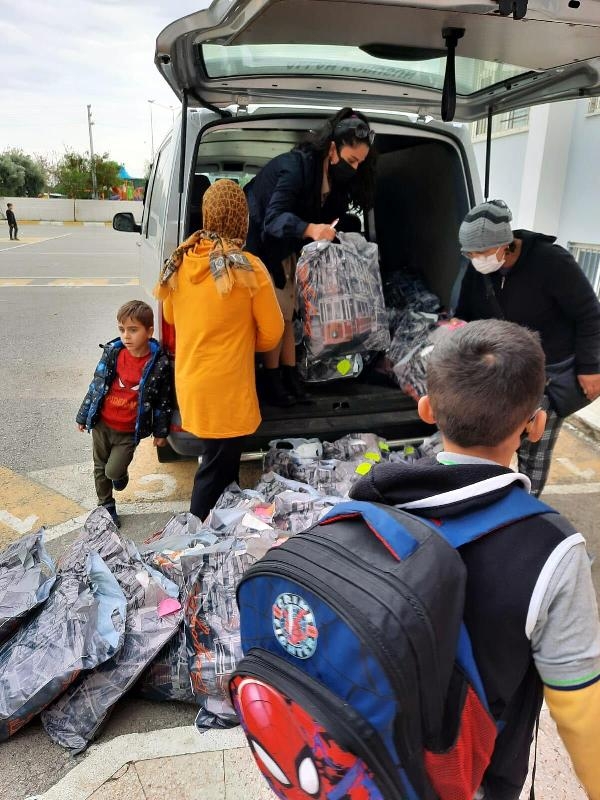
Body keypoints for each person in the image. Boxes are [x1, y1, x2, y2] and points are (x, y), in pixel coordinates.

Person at [349, 319, 600, 800]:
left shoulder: (370, 504)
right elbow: (581, 707)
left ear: (426, 409)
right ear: (536, 424)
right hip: (471, 776)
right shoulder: (553, 550)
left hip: (364, 760)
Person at [154, 179, 284, 522]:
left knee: (223, 465)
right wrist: (242, 344)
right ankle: (195, 537)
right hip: (227, 389)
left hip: (192, 383)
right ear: (242, 219)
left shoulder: (181, 262)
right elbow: (273, 332)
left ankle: (222, 529)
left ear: (207, 215)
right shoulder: (248, 267)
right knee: (213, 472)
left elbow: (170, 316)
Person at [455, 199, 600, 496]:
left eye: (481, 253)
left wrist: (590, 367)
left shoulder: (551, 262)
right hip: (501, 371)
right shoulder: (478, 270)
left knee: (535, 446)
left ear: (504, 245)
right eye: (469, 254)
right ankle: (489, 497)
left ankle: (526, 506)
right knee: (494, 441)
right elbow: (465, 316)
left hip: (548, 375)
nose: (475, 259)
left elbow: (589, 314)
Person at [245, 107, 377, 406]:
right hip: (260, 247)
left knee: (290, 315)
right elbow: (273, 219)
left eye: (360, 163)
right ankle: (273, 381)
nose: (355, 168)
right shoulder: (295, 168)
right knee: (277, 317)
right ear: (332, 149)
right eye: (351, 160)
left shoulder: (331, 180)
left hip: (287, 248)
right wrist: (311, 229)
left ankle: (290, 376)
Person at [76, 300, 173, 528]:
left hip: (128, 432)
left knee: (112, 471)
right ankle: (106, 505)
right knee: (100, 467)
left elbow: (163, 401)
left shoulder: (158, 364)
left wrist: (161, 432)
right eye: (122, 329)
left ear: (149, 331)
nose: (126, 336)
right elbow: (96, 385)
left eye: (133, 330)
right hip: (102, 424)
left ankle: (119, 475)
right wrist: (83, 415)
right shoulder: (113, 353)